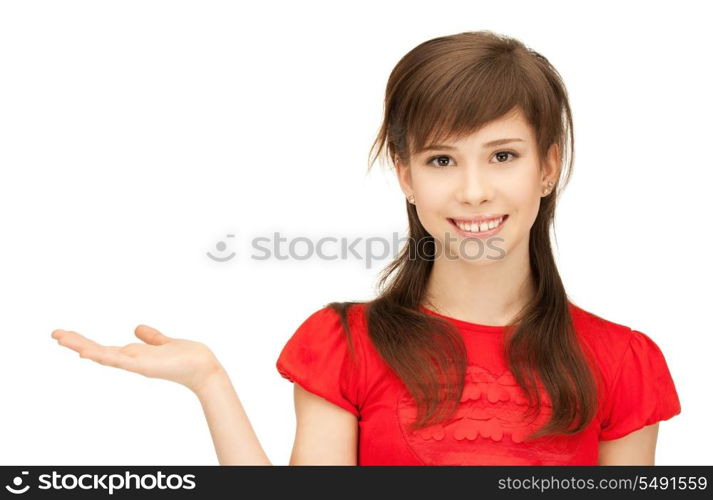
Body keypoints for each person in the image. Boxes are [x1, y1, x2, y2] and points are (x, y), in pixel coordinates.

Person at [51, 30, 681, 466]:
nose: (473, 190)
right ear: (407, 177)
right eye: (441, 159)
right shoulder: (343, 346)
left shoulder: (623, 361)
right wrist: (209, 382)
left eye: (503, 156)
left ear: (548, 167)